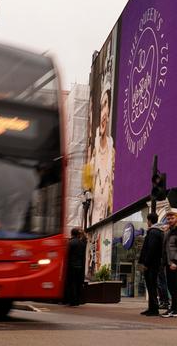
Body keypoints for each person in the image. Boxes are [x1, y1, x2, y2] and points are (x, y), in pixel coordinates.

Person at [89, 88, 114, 225]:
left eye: (106, 105)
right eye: (102, 106)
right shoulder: (94, 152)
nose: (104, 113)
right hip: (93, 222)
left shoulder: (113, 151)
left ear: (109, 113)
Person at [138, 213, 164, 316]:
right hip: (154, 263)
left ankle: (154, 309)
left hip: (152, 264)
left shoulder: (153, 232)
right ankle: (151, 307)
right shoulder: (156, 231)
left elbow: (151, 249)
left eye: (147, 220)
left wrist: (146, 263)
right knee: (151, 286)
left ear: (149, 221)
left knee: (151, 286)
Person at [65, 228, 87, 307]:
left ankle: (71, 301)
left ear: (71, 234)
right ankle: (77, 301)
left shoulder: (70, 243)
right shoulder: (82, 243)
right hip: (80, 266)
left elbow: (67, 255)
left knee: (71, 283)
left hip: (71, 266)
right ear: (78, 234)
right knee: (78, 283)